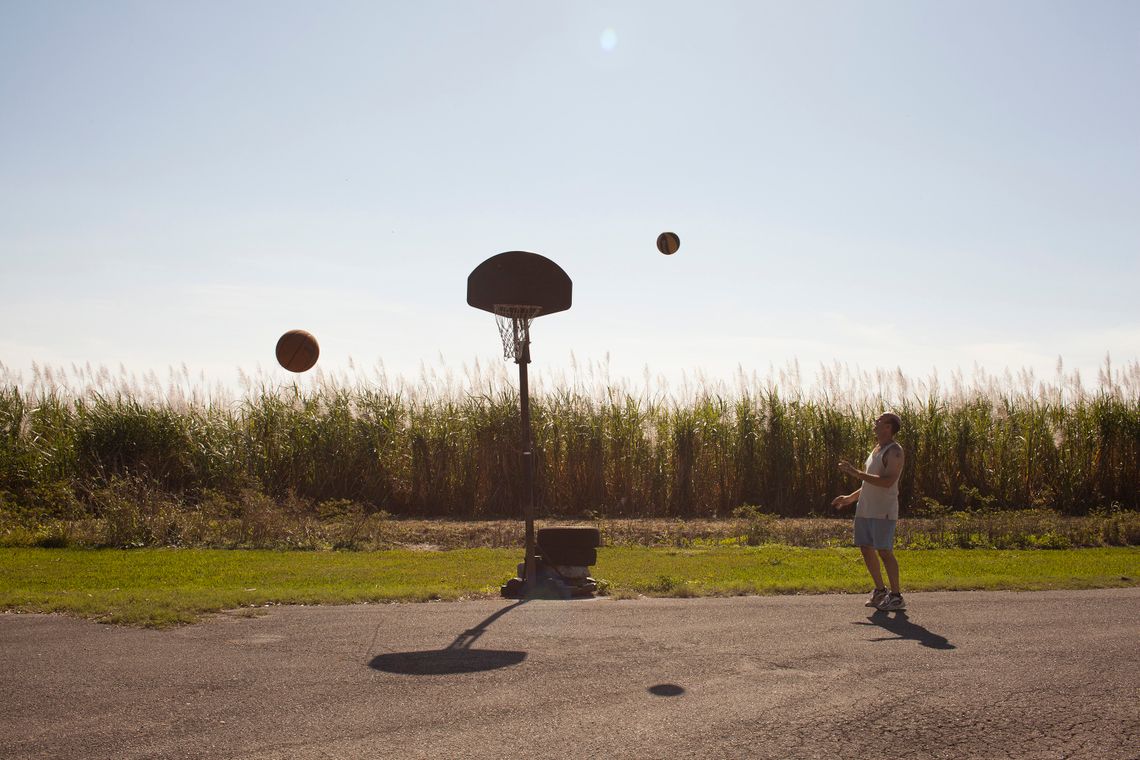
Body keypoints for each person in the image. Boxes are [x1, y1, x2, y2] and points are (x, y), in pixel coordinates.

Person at [832, 412, 906, 611]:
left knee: (884, 551)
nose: (875, 424)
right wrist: (849, 498)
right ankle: (880, 590)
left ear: (888, 427)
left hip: (883, 510)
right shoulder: (876, 450)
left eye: (879, 421)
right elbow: (869, 483)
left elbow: (888, 481)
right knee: (865, 548)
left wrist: (856, 472)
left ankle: (896, 596)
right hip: (865, 509)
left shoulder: (894, 452)